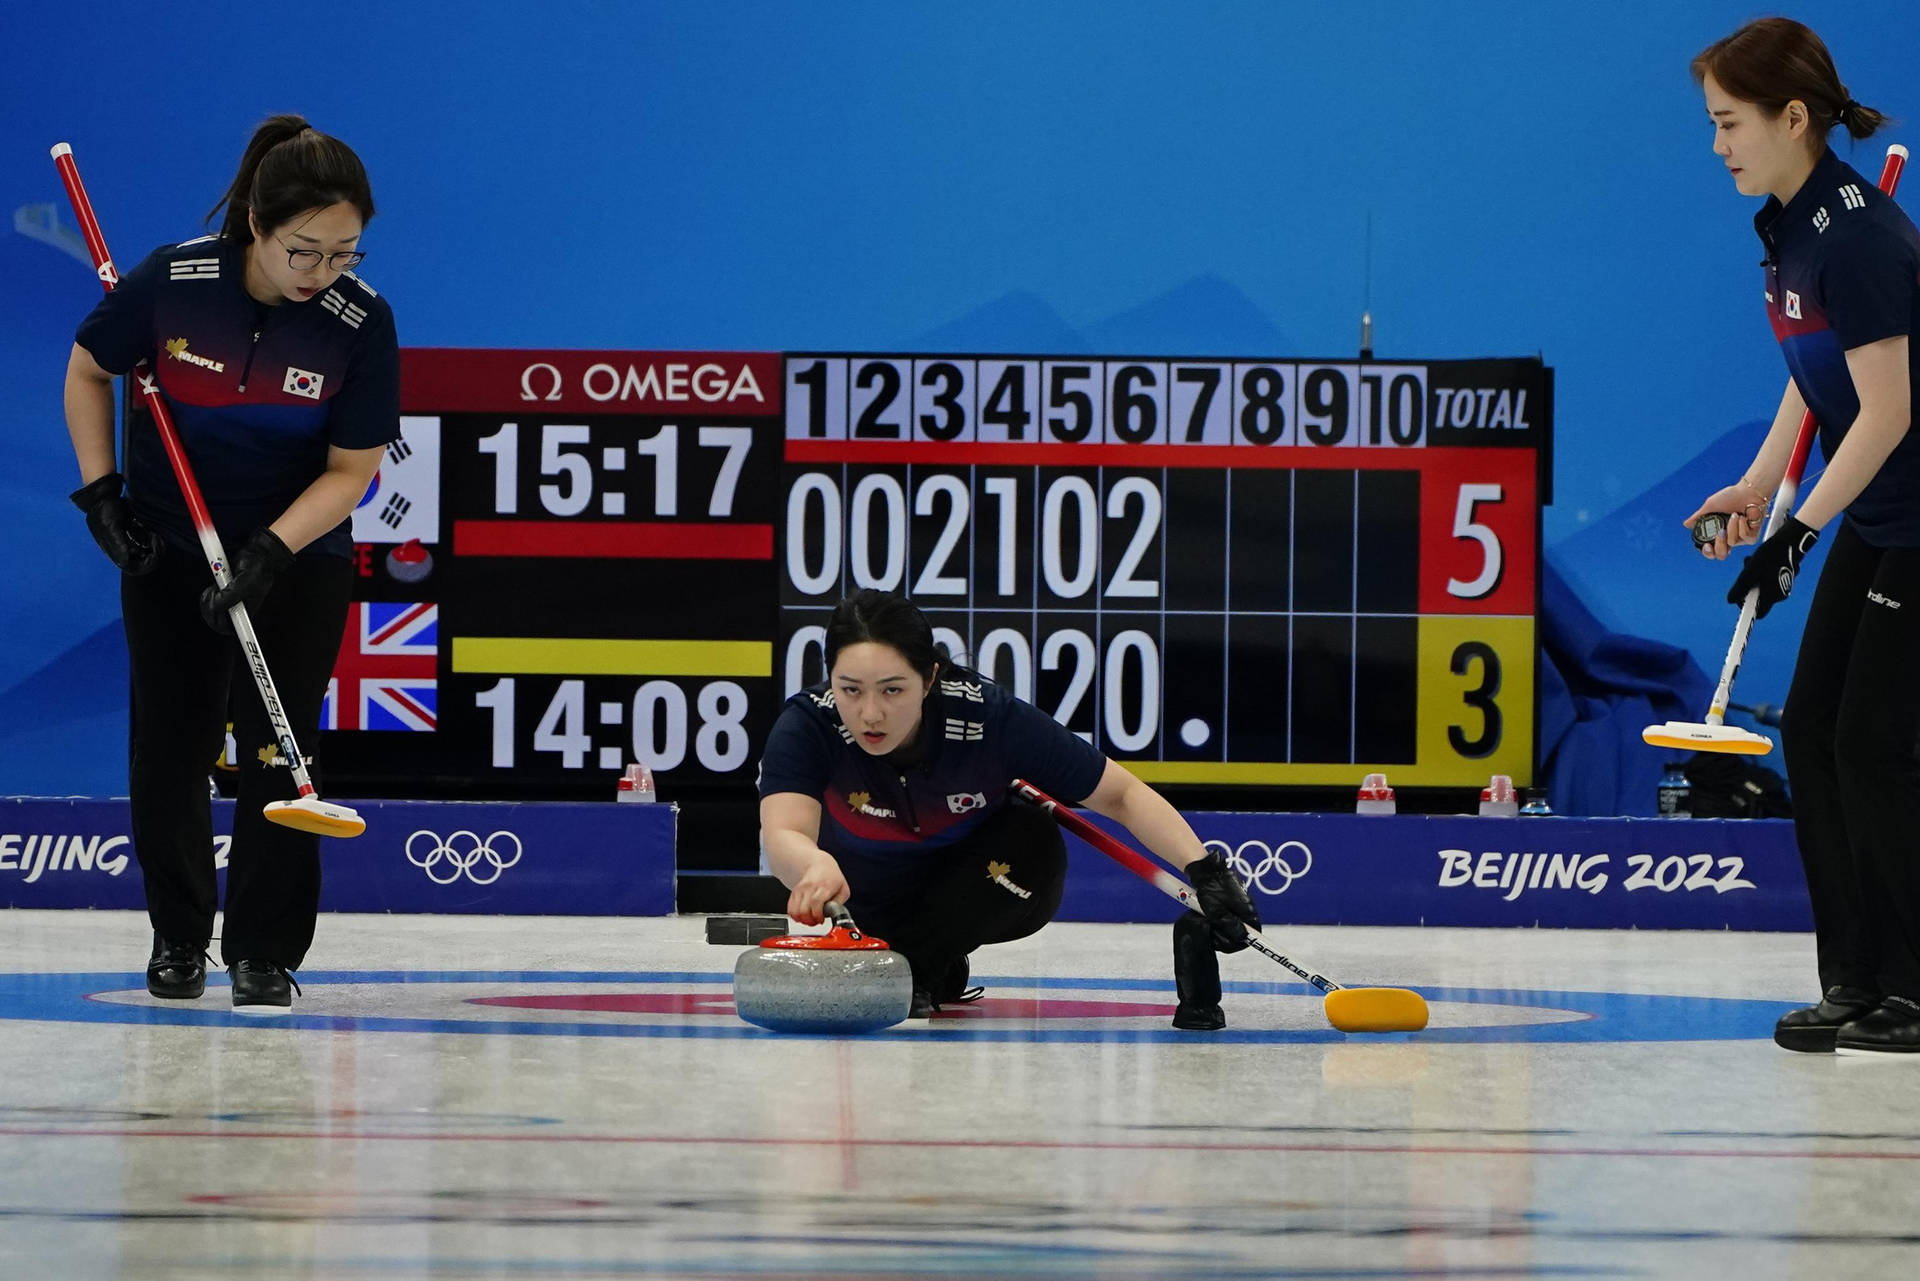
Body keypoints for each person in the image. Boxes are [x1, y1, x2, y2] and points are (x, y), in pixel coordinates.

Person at [64, 115, 399, 1011]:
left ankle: (263, 950)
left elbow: (352, 471)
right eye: (305, 251)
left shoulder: (358, 324)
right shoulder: (173, 282)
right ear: (257, 223)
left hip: (293, 555)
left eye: (346, 253)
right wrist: (102, 496)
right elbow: (88, 368)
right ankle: (178, 937)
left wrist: (269, 551)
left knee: (278, 752)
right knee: (169, 745)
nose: (323, 273)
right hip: (171, 544)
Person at [1683, 20, 1920, 1054]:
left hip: (1911, 513)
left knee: (1872, 742)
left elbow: (1889, 410)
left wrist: (1798, 534)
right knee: (1815, 729)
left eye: (1732, 123)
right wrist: (1760, 483)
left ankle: (1912, 986)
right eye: (1711, 126)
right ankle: (1855, 981)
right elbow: (1810, 371)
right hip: (1878, 507)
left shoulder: (1862, 236)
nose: (1720, 145)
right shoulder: (1789, 227)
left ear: (1793, 118)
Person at [757, 589, 1260, 1027]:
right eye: (850, 690)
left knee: (1030, 836)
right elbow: (783, 833)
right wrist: (813, 863)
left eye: (893, 690)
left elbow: (1121, 795)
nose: (870, 713)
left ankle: (924, 961)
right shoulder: (808, 725)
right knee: (895, 927)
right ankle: (925, 960)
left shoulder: (985, 716)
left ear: (930, 678)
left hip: (981, 883)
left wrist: (1206, 871)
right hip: (871, 892)